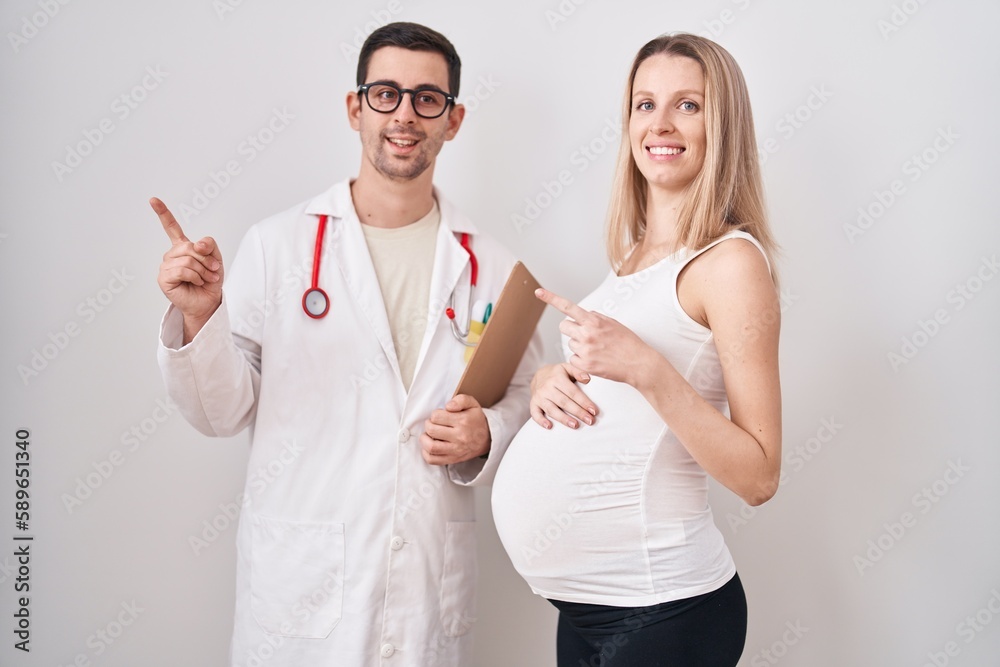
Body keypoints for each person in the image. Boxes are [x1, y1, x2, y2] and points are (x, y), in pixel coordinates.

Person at [152, 22, 541, 667]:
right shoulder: (277, 248)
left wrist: (489, 433)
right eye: (386, 93)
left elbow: (529, 398)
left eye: (428, 98)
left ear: (455, 119)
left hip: (423, 597)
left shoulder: (495, 268)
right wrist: (201, 319)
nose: (406, 115)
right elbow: (219, 413)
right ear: (355, 107)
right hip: (298, 603)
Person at [491, 33, 781, 667]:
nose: (661, 124)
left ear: (722, 125)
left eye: (689, 105)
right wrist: (550, 381)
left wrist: (647, 368)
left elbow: (759, 476)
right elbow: (618, 397)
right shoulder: (632, 262)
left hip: (664, 609)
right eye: (644, 104)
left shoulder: (730, 263)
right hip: (591, 610)